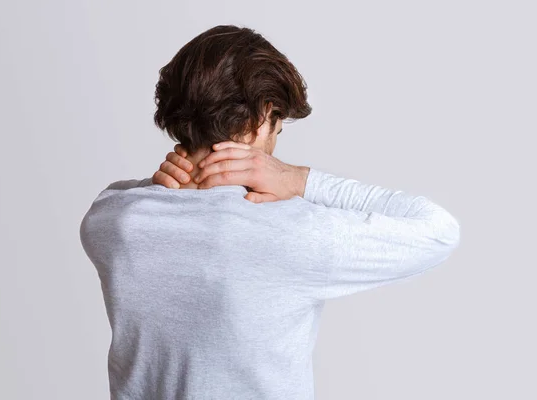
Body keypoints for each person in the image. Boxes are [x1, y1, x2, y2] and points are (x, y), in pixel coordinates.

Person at [79, 24, 461, 400]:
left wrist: (155, 185)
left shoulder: (115, 221)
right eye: (278, 127)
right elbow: (438, 229)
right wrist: (298, 179)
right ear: (263, 115)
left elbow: (112, 199)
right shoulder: (288, 231)